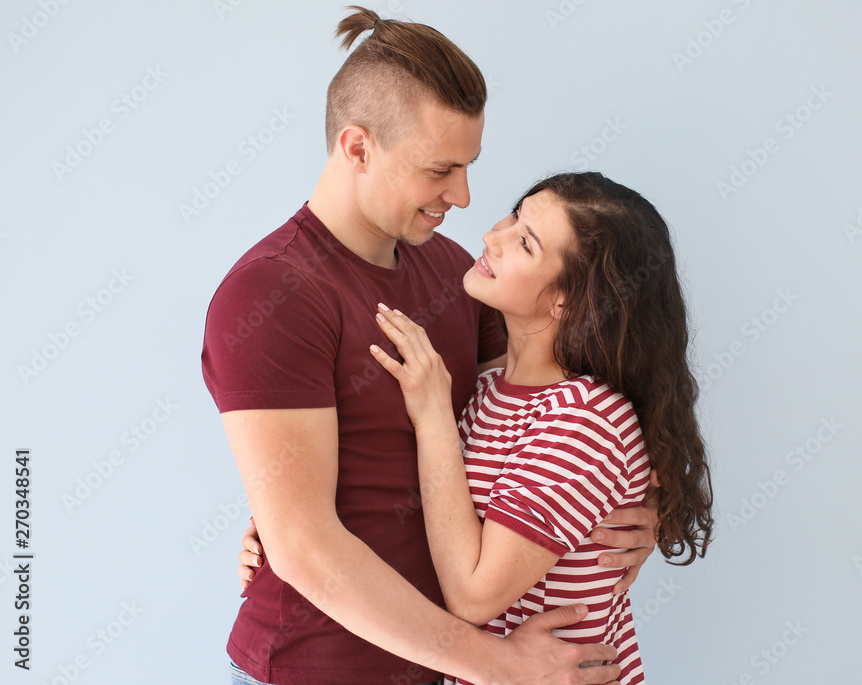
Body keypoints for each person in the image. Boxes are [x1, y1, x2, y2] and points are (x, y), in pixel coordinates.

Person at [201, 8, 659, 685]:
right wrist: (499, 665)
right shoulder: (270, 293)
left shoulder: (455, 273)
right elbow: (304, 548)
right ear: (357, 148)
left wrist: (639, 505)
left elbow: (554, 413)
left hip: (442, 669)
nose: (464, 196)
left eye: (468, 166)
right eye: (440, 169)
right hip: (316, 669)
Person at [242, 173, 715, 685]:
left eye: (525, 242)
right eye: (514, 216)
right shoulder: (490, 392)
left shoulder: (585, 419)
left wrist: (433, 418)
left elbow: (472, 595)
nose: (492, 235)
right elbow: (430, 498)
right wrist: (284, 512)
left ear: (567, 300)